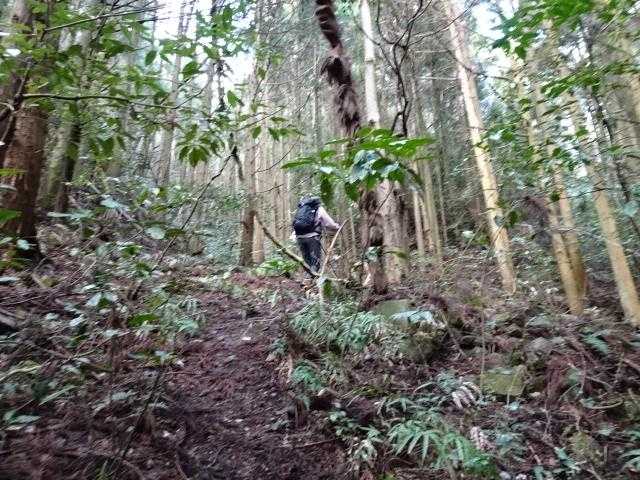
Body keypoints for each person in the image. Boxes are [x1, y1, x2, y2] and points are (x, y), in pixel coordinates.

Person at [291, 196, 340, 273]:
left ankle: (308, 277)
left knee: (307, 261)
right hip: (312, 238)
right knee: (315, 261)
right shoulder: (318, 208)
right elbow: (328, 223)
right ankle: (313, 278)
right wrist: (337, 227)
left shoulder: (301, 209)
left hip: (300, 237)